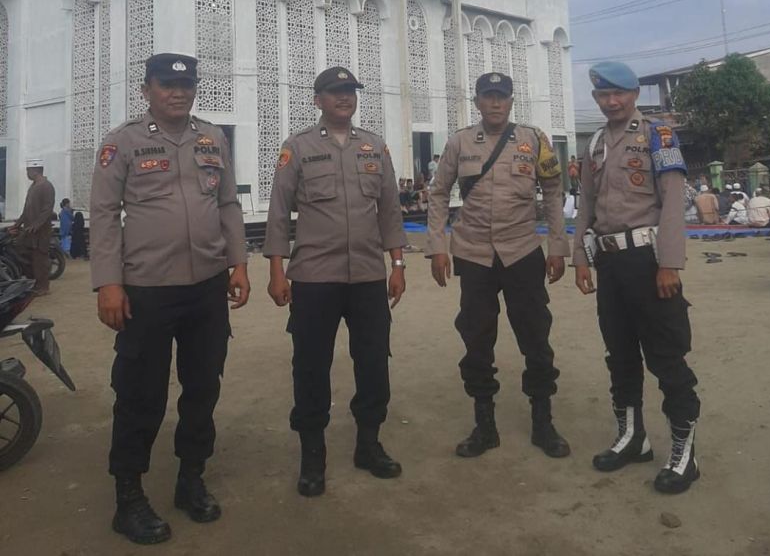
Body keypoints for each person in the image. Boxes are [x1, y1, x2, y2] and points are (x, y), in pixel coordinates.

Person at [89, 53, 250, 546]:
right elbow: (102, 213)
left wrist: (238, 262)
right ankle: (128, 497)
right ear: (147, 90)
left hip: (206, 286)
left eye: (186, 85)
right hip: (148, 289)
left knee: (203, 387)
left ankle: (190, 478)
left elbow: (226, 203)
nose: (178, 92)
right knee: (140, 394)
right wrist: (108, 283)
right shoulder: (123, 142)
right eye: (167, 85)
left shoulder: (211, 138)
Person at [264, 66, 406, 498]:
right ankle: (313, 456)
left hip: (366, 276)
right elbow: (278, 211)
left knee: (373, 362)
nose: (344, 97)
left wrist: (397, 264)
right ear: (318, 99)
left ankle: (369, 444)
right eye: (335, 91)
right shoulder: (298, 148)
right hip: (314, 277)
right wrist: (276, 269)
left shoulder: (374, 147)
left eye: (349, 91)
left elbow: (389, 210)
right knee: (310, 366)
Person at [427, 71, 571, 460]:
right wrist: (438, 246)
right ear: (477, 101)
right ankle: (484, 425)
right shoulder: (459, 142)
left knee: (536, 337)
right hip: (473, 254)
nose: (495, 103)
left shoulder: (533, 140)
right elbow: (439, 193)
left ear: (511, 102)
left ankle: (543, 421)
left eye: (502, 97)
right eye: (488, 96)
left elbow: (554, 191)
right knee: (476, 338)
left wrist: (558, 245)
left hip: (522, 251)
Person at [573, 61, 700, 495]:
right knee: (620, 355)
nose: (611, 102)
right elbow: (586, 204)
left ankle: (685, 453)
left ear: (633, 96)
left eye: (619, 94)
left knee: (667, 359)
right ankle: (634, 438)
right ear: (596, 99)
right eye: (603, 95)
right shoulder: (593, 145)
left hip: (649, 262)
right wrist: (580, 258)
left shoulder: (656, 135)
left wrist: (670, 263)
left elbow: (672, 201)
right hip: (609, 264)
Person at [9, 159, 56, 296]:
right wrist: (18, 223)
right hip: (29, 230)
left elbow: (47, 209)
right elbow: (26, 209)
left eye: (27, 171)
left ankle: (43, 287)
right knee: (25, 256)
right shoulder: (33, 186)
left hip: (40, 231)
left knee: (40, 259)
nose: (27, 174)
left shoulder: (46, 186)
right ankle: (33, 283)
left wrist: (36, 225)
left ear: (34, 171)